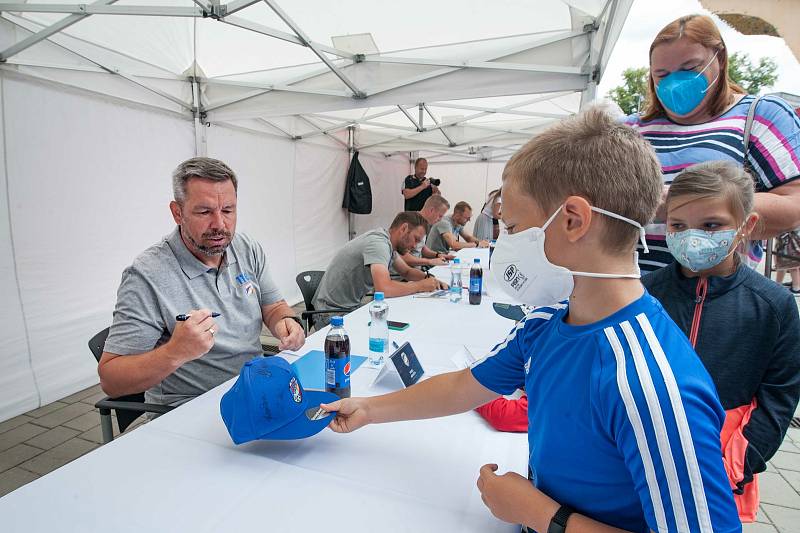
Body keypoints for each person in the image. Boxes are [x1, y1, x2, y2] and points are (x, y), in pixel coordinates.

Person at [321, 109, 741, 532]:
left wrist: (543, 516)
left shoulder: (650, 382)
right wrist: (370, 409)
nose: (503, 242)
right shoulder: (549, 319)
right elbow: (464, 386)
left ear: (573, 221)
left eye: (515, 226)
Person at [642, 161, 800, 521]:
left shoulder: (774, 306)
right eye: (678, 226)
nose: (692, 236)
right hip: (641, 464)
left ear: (747, 226)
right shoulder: (644, 294)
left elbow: (779, 398)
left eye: (711, 225)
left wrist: (731, 468)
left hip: (723, 477)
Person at [99, 157, 305, 407]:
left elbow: (273, 307)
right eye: (204, 212)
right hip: (191, 407)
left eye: (228, 210)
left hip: (254, 391)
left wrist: (285, 322)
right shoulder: (147, 275)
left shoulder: (247, 248)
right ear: (178, 213)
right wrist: (175, 352)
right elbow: (111, 379)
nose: (219, 224)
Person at [625, 14, 800, 274]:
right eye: (661, 74)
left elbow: (793, 205)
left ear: (718, 59)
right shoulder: (629, 129)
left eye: (690, 69)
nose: (674, 82)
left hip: (718, 295)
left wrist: (687, 204)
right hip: (635, 291)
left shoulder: (761, 116)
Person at [312, 211, 447, 325]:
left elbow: (406, 271)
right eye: (416, 239)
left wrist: (430, 279)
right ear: (404, 228)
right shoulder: (378, 244)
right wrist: (420, 286)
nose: (415, 246)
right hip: (330, 314)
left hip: (347, 309)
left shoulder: (387, 243)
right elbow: (384, 288)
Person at [391, 195, 455, 280]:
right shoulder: (412, 222)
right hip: (400, 276)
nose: (440, 220)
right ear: (431, 210)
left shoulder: (424, 225)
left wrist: (438, 255)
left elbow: (422, 248)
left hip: (413, 272)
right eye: (440, 216)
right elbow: (402, 256)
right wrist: (429, 261)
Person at [774, 227, 800, 294]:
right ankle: (778, 284)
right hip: (788, 235)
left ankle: (796, 287)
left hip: (790, 236)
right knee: (783, 263)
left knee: (793, 264)